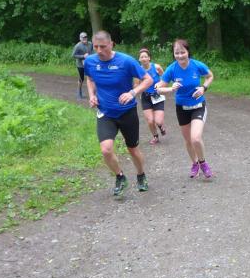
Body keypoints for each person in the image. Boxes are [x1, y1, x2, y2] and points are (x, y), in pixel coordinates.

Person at [84, 31, 154, 196]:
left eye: (103, 47)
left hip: (127, 112)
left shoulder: (126, 61)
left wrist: (132, 92)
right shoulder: (90, 61)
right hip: (105, 113)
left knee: (133, 149)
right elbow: (90, 79)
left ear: (111, 44)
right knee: (106, 150)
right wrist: (92, 95)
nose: (99, 50)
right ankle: (120, 177)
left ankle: (141, 175)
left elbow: (148, 80)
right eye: (96, 47)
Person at [156, 39, 215, 178]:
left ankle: (203, 163)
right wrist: (171, 88)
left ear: (188, 52)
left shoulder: (197, 65)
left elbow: (210, 76)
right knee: (188, 140)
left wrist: (203, 88)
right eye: (177, 53)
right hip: (182, 108)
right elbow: (158, 88)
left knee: (195, 138)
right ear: (173, 54)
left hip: (198, 106)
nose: (180, 55)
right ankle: (194, 163)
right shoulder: (172, 69)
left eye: (182, 52)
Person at [138, 48, 167, 145]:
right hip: (145, 97)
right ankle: (155, 137)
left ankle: (161, 126)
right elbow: (136, 85)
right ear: (139, 59)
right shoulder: (138, 70)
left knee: (158, 121)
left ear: (149, 58)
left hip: (157, 95)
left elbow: (164, 78)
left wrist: (161, 85)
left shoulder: (156, 67)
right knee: (150, 121)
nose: (144, 58)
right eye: (141, 57)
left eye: (145, 56)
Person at [72, 32, 94, 99]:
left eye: (85, 37)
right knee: (81, 78)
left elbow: (91, 52)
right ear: (80, 38)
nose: (84, 38)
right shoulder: (78, 46)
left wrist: (91, 57)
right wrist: (83, 56)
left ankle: (93, 93)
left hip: (89, 63)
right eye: (83, 37)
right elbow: (73, 55)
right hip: (80, 65)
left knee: (91, 77)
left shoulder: (90, 44)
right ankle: (79, 92)